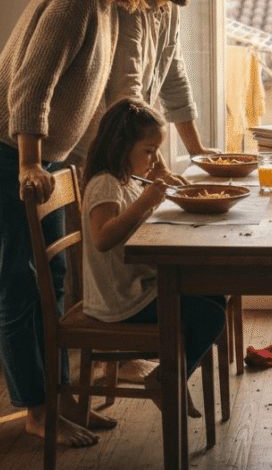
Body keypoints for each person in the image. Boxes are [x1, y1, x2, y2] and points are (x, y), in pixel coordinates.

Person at [0, 0, 172, 448]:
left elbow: (80, 103)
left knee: (52, 282)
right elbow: (32, 84)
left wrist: (82, 169)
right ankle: (37, 411)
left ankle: (56, 401)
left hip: (41, 155)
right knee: (19, 282)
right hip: (5, 149)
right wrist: (32, 163)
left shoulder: (103, 4)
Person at [80, 99, 226, 410]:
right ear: (121, 146)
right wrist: (144, 203)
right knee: (211, 316)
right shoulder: (105, 184)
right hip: (120, 300)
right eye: (148, 151)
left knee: (215, 295)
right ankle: (166, 379)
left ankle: (171, 374)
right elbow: (103, 238)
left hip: (135, 289)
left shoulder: (126, 179)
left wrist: (161, 182)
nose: (153, 158)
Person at [97, 0, 220, 159]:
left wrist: (197, 151)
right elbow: (127, 99)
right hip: (105, 145)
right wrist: (158, 166)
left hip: (128, 145)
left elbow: (174, 79)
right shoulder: (131, 7)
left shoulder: (169, 7)